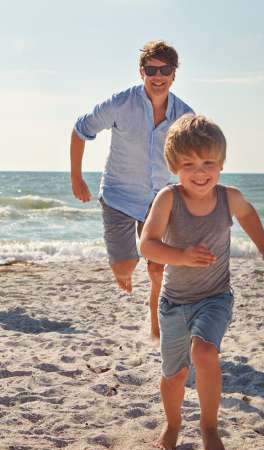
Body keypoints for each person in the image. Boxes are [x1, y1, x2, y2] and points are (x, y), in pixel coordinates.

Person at [139, 114, 264, 450]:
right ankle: (172, 424)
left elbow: (248, 215)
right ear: (174, 166)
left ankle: (209, 425)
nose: (200, 172)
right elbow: (147, 245)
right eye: (188, 165)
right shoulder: (168, 199)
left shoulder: (228, 197)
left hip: (215, 297)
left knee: (205, 354)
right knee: (174, 374)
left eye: (208, 163)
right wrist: (181, 256)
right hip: (174, 303)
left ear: (221, 163)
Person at [70, 40, 194, 338]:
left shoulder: (186, 116)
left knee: (158, 270)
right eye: (151, 69)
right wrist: (77, 178)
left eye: (165, 69)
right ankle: (123, 269)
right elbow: (79, 130)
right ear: (142, 72)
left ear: (174, 74)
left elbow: (196, 156)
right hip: (118, 197)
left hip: (159, 199)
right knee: (126, 266)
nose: (158, 75)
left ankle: (156, 326)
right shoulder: (120, 103)